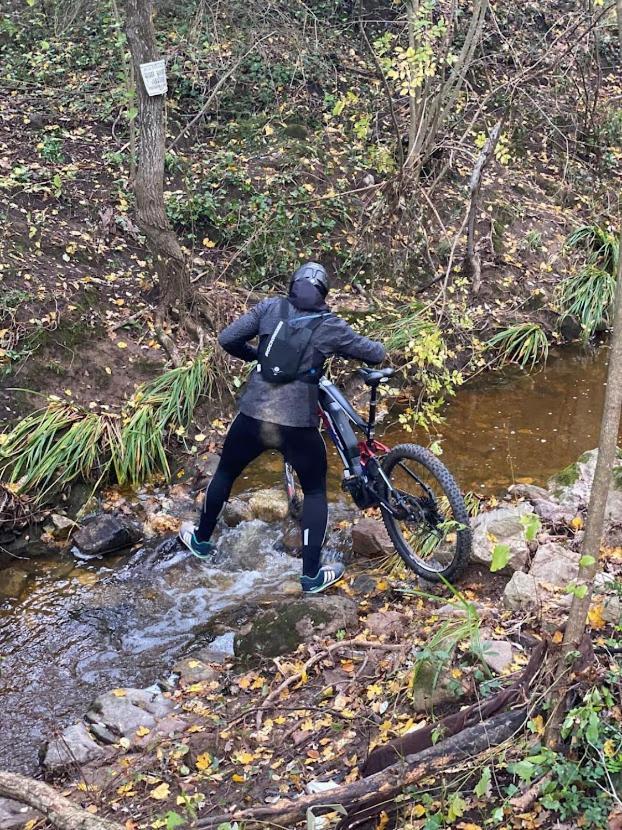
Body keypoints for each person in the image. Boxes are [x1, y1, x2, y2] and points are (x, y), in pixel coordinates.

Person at [179, 262, 386, 593]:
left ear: (292, 285)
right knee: (316, 491)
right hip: (298, 425)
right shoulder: (328, 324)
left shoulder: (270, 307)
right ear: (323, 294)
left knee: (226, 473)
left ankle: (202, 541)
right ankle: (311, 576)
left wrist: (257, 358)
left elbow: (227, 338)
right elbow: (374, 353)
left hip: (253, 416)